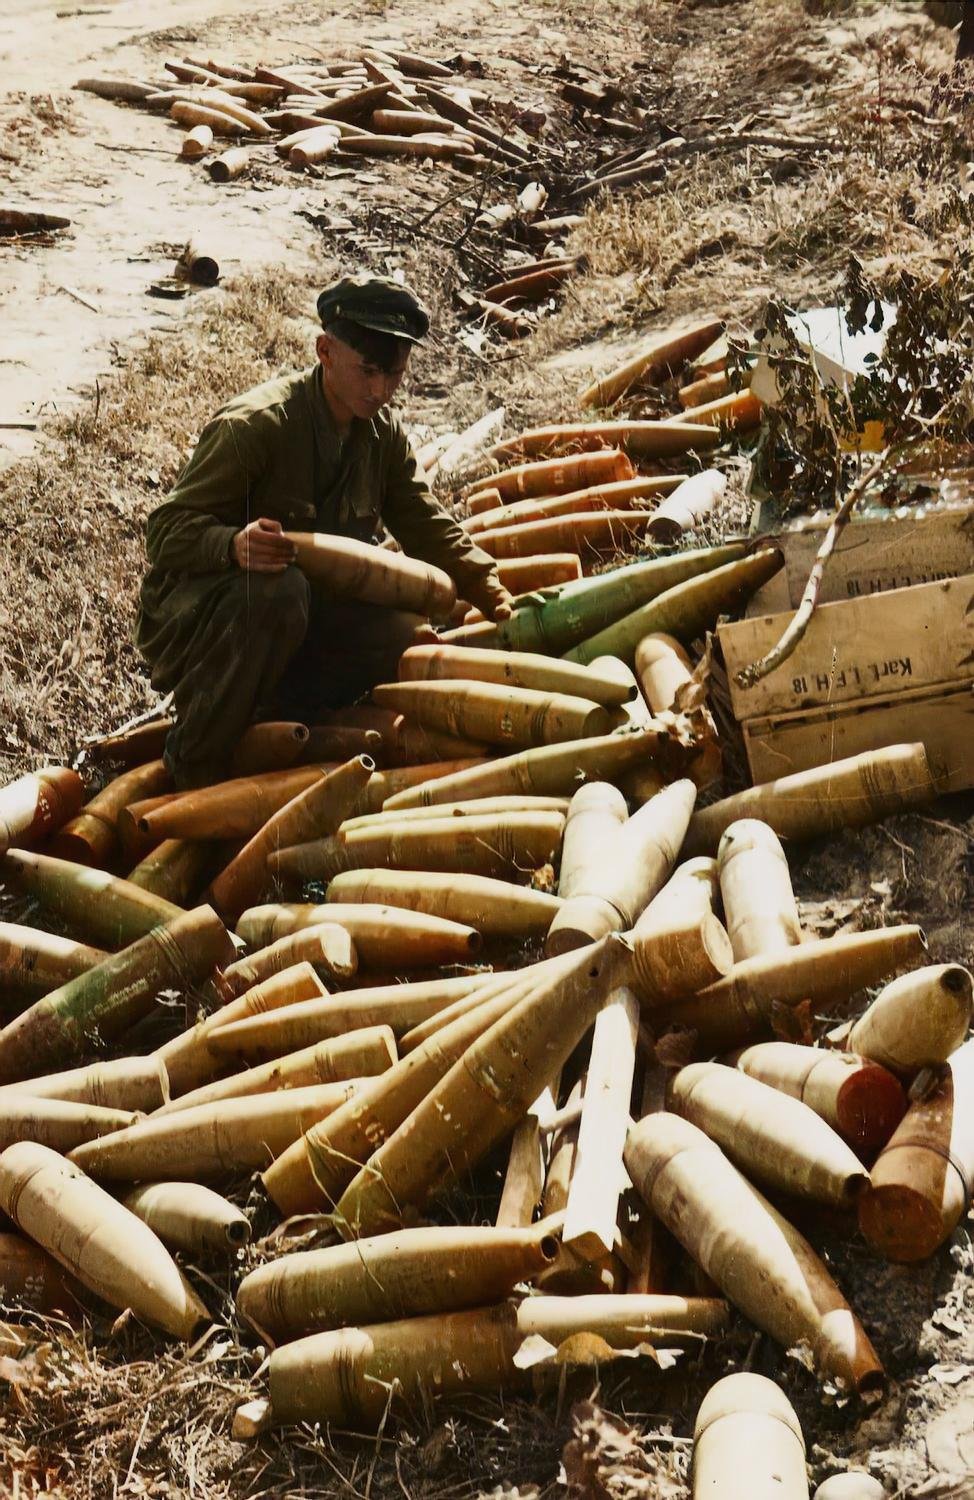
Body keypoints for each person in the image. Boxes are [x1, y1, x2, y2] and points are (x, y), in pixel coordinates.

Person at [136, 273, 513, 789]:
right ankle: (194, 762)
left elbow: (423, 522)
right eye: (368, 371)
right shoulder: (257, 427)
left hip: (299, 615)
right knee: (278, 591)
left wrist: (488, 586)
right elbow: (164, 532)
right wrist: (231, 544)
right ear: (325, 352)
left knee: (401, 633)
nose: (381, 390)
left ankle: (272, 712)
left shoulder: (382, 435)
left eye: (394, 375)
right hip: (201, 614)